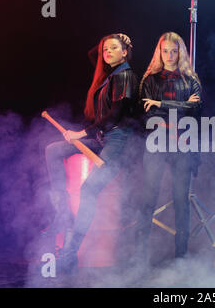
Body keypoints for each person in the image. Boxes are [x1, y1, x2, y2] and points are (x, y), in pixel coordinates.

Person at [44, 33, 139, 273]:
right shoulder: (109, 76)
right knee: (53, 150)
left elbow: (116, 115)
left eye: (114, 48)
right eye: (105, 49)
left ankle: (70, 253)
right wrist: (111, 38)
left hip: (118, 141)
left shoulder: (126, 76)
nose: (106, 52)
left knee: (88, 190)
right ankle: (63, 211)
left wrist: (81, 133)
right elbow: (92, 54)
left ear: (125, 52)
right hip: (101, 137)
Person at [134, 32, 201, 263]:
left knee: (181, 199)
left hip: (184, 143)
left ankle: (180, 257)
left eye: (175, 51)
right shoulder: (149, 79)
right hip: (156, 142)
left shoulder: (191, 80)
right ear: (159, 52)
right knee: (148, 198)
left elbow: (194, 112)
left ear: (181, 52)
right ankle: (138, 256)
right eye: (166, 51)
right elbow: (147, 114)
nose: (170, 55)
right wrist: (179, 108)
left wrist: (162, 105)